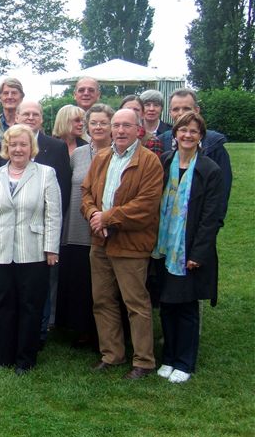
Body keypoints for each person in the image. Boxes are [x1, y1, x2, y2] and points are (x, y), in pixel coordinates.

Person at [81, 108, 163, 380]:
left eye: (127, 125)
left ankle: (143, 361)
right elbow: (86, 192)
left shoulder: (149, 161)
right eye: (117, 125)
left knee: (135, 303)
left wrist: (107, 217)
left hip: (130, 243)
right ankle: (112, 355)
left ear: (139, 129)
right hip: (100, 241)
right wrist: (93, 214)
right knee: (102, 300)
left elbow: (146, 206)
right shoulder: (103, 157)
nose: (121, 130)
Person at [0, 124, 61, 374]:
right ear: (6, 147)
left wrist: (51, 249)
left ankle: (26, 359)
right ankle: (6, 355)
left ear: (31, 147)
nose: (18, 149)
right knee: (4, 304)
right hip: (1, 250)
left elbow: (53, 215)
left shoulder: (46, 173)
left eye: (23, 144)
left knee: (30, 305)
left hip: (34, 250)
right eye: (13, 144)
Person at [152, 111, 224, 383]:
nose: (187, 135)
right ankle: (169, 357)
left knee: (187, 306)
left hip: (189, 250)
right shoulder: (164, 161)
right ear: (175, 135)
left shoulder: (209, 170)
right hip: (163, 247)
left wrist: (197, 254)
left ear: (200, 137)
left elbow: (210, 217)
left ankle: (185, 361)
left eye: (193, 131)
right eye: (183, 130)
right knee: (167, 304)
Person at [56, 104, 115, 347]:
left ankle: (105, 333)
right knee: (80, 280)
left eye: (103, 123)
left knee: (102, 284)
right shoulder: (78, 154)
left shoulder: (118, 153)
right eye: (94, 123)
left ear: (111, 126)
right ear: (88, 127)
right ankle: (82, 329)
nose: (98, 127)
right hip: (76, 227)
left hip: (105, 226)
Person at [14, 100, 72, 343]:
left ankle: (40, 330)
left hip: (42, 226)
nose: (30, 117)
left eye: (35, 114)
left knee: (42, 282)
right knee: (16, 281)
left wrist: (53, 228)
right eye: (25, 113)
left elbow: (64, 189)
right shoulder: (8, 144)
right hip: (13, 226)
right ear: (17, 117)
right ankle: (15, 325)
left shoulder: (56, 147)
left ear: (42, 119)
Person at [158, 88, 232, 221]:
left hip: (200, 220)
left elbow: (223, 190)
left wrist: (216, 221)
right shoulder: (162, 142)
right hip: (166, 221)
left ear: (197, 110)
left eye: (186, 108)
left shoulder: (214, 145)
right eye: (175, 109)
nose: (180, 113)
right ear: (170, 112)